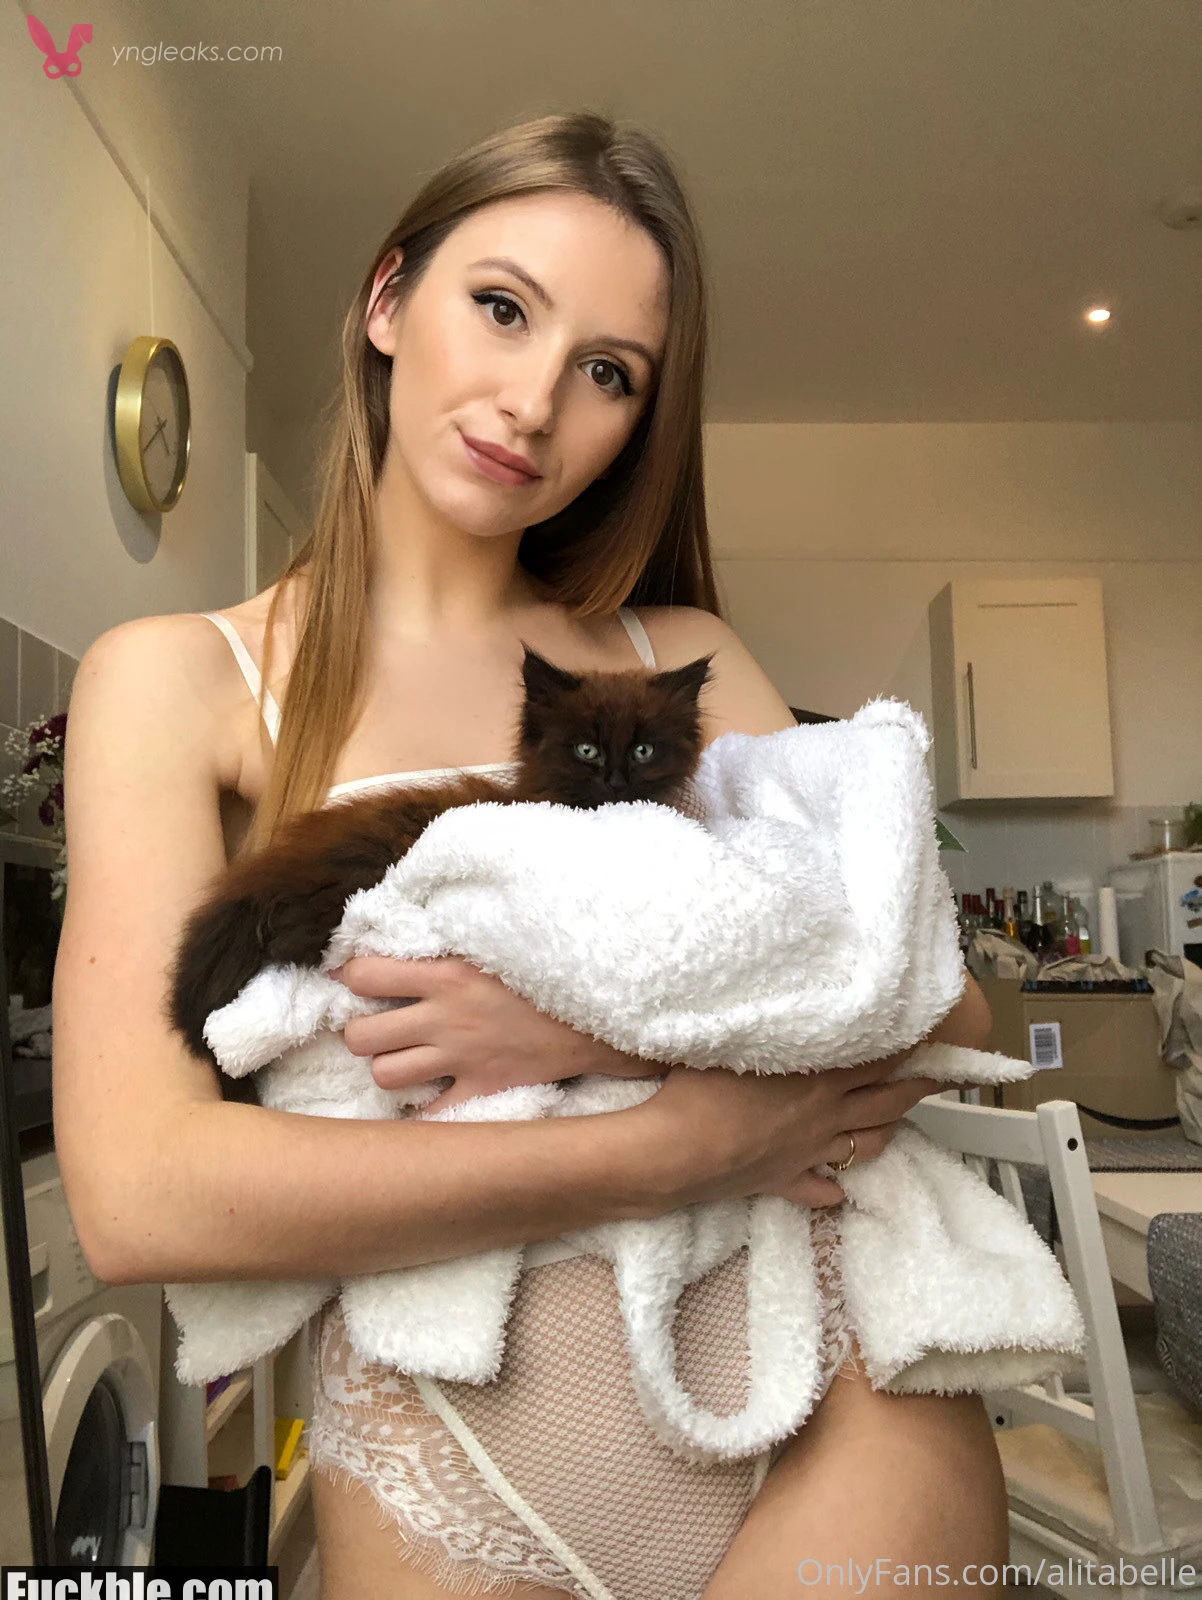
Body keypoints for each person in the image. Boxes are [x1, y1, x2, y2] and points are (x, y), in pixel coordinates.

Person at [54, 112, 1007, 1599]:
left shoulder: (676, 655)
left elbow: (940, 1004)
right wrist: (673, 1148)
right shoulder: (180, 681)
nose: (535, 401)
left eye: (608, 371)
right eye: (502, 307)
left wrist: (579, 1026)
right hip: (460, 1450)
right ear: (387, 301)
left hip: (836, 1390)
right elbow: (139, 1196)